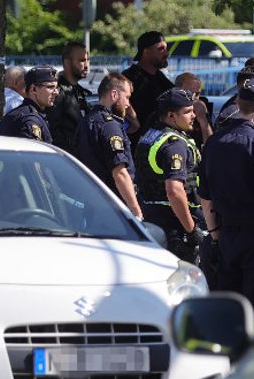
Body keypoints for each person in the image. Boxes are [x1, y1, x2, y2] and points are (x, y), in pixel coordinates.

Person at [198, 78, 254, 309]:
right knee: (253, 301)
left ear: (238, 102)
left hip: (226, 234)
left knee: (228, 301)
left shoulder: (213, 143)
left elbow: (205, 197)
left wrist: (215, 234)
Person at [136, 89, 204, 262]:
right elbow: (174, 191)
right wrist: (191, 229)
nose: (193, 115)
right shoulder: (175, 145)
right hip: (173, 222)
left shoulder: (152, 134)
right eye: (187, 112)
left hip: (150, 214)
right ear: (171, 116)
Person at [72, 72, 143, 219]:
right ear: (114, 94)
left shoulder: (88, 120)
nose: (128, 104)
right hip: (113, 208)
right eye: (127, 97)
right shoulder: (109, 126)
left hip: (93, 205)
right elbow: (120, 173)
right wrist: (136, 213)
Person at [121, 31, 174, 133]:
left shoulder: (160, 77)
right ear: (146, 52)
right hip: (136, 141)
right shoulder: (130, 77)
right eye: (160, 49)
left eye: (166, 49)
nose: (166, 53)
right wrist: (134, 122)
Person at [49, 42, 93, 153]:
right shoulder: (56, 91)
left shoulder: (78, 90)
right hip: (64, 159)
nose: (87, 65)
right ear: (67, 62)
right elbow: (53, 130)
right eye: (82, 60)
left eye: (87, 60)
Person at [0, 66, 57, 142]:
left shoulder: (23, 113)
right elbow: (33, 153)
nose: (56, 92)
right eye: (50, 87)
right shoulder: (30, 119)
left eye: (56, 87)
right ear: (34, 89)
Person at [174, 72, 214, 143]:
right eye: (190, 93)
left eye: (197, 94)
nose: (194, 98)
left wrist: (203, 120)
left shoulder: (200, 111)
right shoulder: (167, 112)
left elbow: (210, 147)